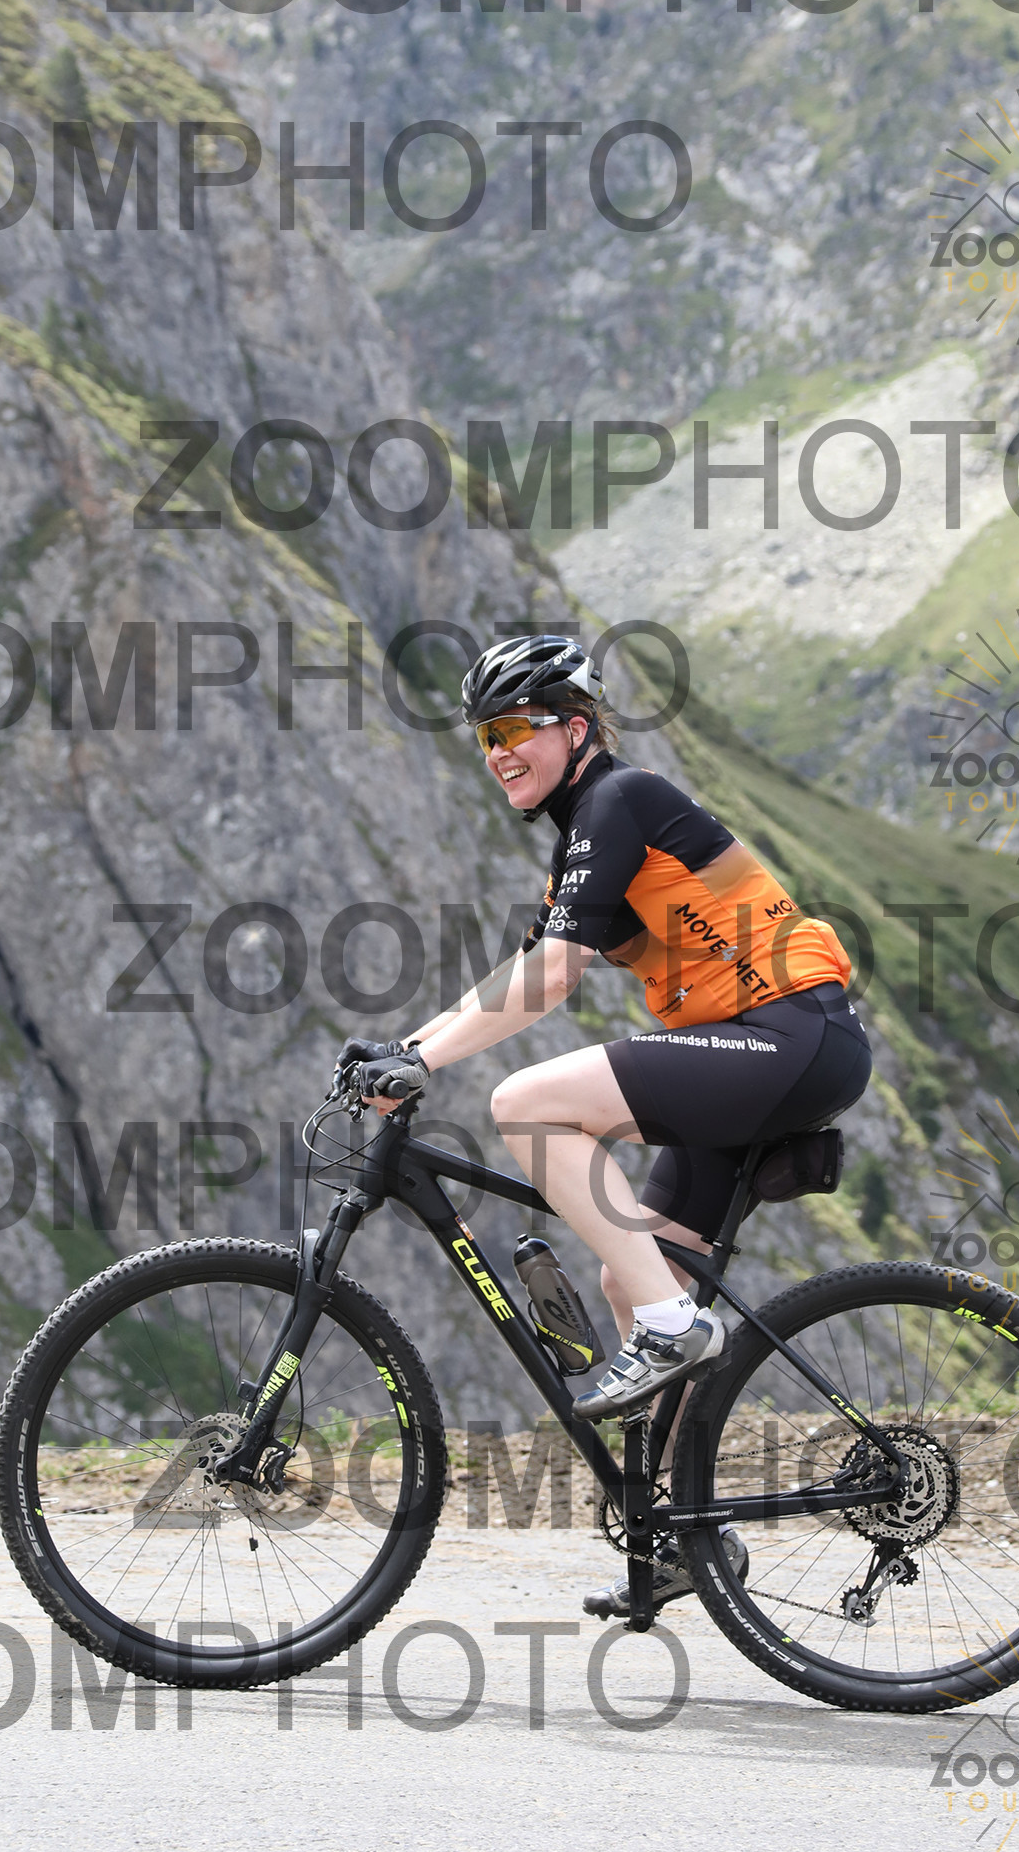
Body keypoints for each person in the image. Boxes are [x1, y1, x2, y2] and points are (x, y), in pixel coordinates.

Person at [343, 634, 872, 1604]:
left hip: (790, 1030)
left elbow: (552, 978)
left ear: (577, 729)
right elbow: (519, 971)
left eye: (516, 727)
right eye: (485, 736)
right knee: (634, 1272)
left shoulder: (620, 800)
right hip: (759, 1043)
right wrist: (403, 1048)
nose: (500, 750)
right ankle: (682, 1533)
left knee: (525, 1105)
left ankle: (673, 1325)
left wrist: (422, 1063)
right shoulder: (584, 838)